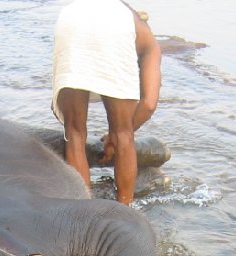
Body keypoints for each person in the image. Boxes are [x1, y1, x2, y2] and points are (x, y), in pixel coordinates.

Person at [52, 0, 161, 205]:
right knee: (124, 134)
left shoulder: (118, 11)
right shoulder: (148, 42)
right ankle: (125, 209)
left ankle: (84, 213)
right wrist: (116, 135)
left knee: (74, 134)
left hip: (70, 18)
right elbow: (148, 104)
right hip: (117, 27)